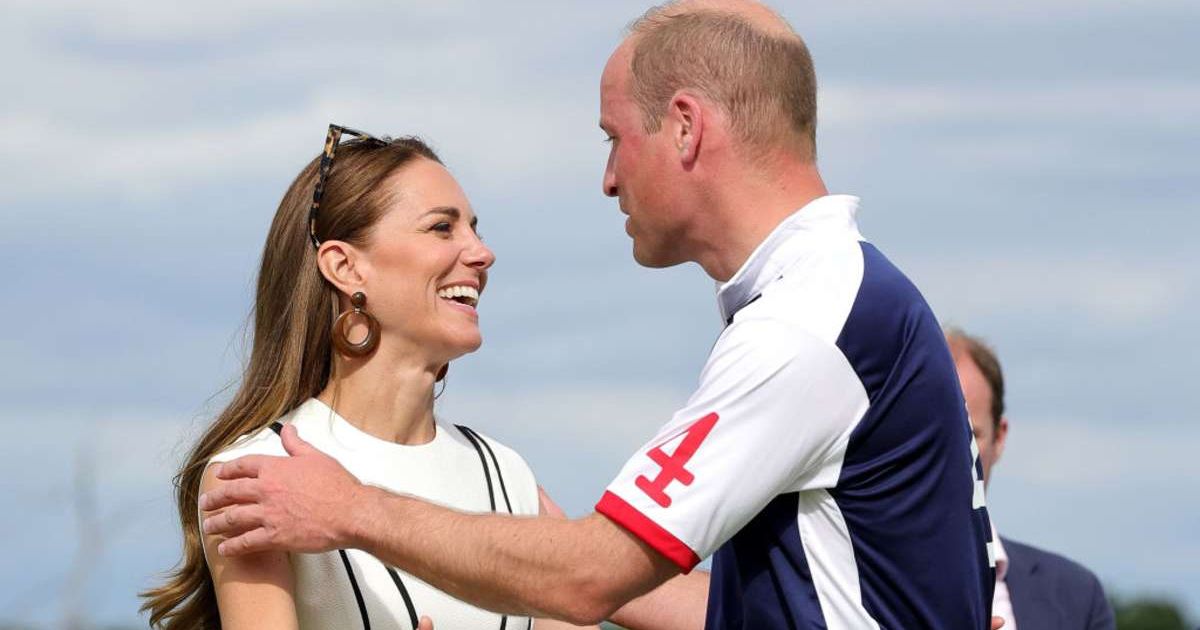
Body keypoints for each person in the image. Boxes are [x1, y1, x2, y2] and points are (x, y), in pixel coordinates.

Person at [199, 2, 996, 627]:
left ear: (685, 127)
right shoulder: (836, 300)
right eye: (443, 227)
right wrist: (514, 523)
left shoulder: (804, 327)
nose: (609, 178)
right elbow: (716, 604)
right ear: (343, 268)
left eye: (615, 137)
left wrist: (354, 509)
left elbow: (589, 575)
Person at [140, 125, 603, 629]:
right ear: (344, 266)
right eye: (442, 228)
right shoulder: (257, 474)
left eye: (475, 228)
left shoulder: (506, 475)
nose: (482, 253)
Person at [946, 329, 1115, 630]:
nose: (947, 457)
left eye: (969, 436)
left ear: (999, 437)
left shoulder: (1077, 598)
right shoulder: (850, 586)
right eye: (928, 438)